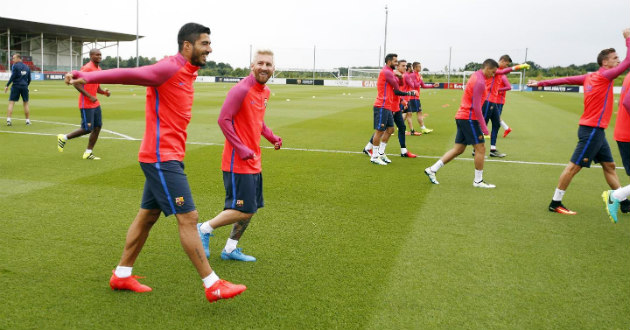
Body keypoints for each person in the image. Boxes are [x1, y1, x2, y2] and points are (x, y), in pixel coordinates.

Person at [64, 23, 246, 303]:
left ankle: (122, 275)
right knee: (189, 217)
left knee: (147, 216)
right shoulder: (169, 68)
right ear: (187, 46)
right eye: (205, 44)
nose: (209, 48)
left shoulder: (187, 71)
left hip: (166, 155)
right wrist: (86, 77)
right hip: (161, 157)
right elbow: (131, 74)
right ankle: (213, 284)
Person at [528, 28, 630, 215]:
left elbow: (565, 79)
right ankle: (555, 202)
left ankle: (624, 202)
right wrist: (628, 39)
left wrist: (541, 83)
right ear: (605, 62)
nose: (618, 60)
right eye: (615, 58)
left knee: (609, 166)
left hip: (594, 131)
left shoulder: (590, 76)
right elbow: (629, 62)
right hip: (591, 131)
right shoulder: (604, 76)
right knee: (574, 167)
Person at [197, 50, 282, 262]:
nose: (264, 67)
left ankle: (229, 249)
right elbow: (223, 120)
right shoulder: (241, 89)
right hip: (237, 162)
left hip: (254, 160)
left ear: (273, 69)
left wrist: (271, 137)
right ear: (252, 66)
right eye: (260, 63)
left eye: (268, 64)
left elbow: (257, 121)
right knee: (243, 209)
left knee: (250, 209)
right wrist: (241, 148)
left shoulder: (265, 92)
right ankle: (204, 228)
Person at [423, 59, 497, 188]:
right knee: (481, 148)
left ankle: (432, 169)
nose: (494, 74)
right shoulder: (479, 82)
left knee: (458, 149)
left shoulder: (477, 75)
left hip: (463, 116)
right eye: (493, 71)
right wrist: (484, 128)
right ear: (487, 68)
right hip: (469, 118)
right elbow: (477, 107)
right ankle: (478, 181)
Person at [362, 53, 416, 165]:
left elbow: (399, 84)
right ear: (389, 61)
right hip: (381, 105)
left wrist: (400, 77)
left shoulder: (391, 72)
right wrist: (409, 93)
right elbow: (397, 90)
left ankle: (381, 153)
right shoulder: (387, 72)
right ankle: (375, 156)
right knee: (380, 131)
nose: (396, 64)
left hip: (388, 106)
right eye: (395, 61)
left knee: (390, 130)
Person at [56, 49, 111, 160]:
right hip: (86, 103)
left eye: (100, 54)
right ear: (91, 56)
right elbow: (76, 84)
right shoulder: (87, 68)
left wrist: (104, 93)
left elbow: (97, 87)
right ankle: (64, 137)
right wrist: (89, 96)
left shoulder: (99, 69)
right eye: (97, 54)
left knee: (98, 127)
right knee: (87, 128)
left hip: (95, 104)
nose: (99, 56)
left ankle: (88, 152)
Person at [603, 71, 630, 223]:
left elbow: (622, 103)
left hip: (623, 132)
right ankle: (617, 196)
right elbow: (627, 102)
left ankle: (618, 196)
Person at [482, 54, 514, 158]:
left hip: (494, 101)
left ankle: (493, 149)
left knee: (496, 123)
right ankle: (476, 149)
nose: (506, 66)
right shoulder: (494, 70)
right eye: (506, 64)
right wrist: (518, 67)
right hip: (488, 100)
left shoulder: (500, 73)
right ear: (503, 61)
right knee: (484, 124)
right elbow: (503, 72)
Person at [404, 62, 437, 135]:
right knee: (414, 113)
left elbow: (423, 86)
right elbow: (414, 85)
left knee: (407, 114)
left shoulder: (418, 75)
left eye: (420, 66)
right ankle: (423, 128)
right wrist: (419, 80)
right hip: (413, 97)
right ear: (415, 67)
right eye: (419, 66)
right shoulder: (413, 75)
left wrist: (433, 86)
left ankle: (399, 127)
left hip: (416, 97)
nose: (420, 68)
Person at [4, 54, 31, 126]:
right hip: (24, 86)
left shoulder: (15, 66)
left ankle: (8, 120)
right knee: (25, 103)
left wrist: (7, 85)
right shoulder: (27, 67)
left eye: (14, 58)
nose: (12, 60)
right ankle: (27, 121)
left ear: (19, 58)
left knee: (11, 103)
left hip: (16, 86)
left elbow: (13, 76)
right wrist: (26, 85)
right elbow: (29, 79)